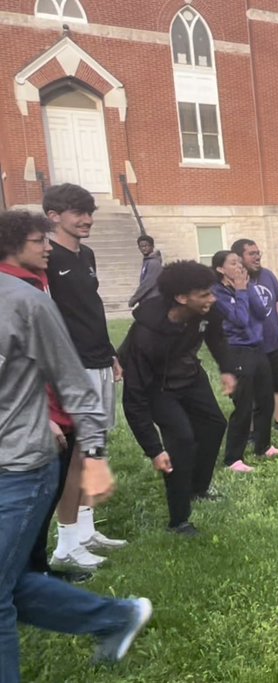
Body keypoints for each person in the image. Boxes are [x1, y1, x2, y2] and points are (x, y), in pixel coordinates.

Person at [0, 209, 153, 680]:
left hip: (18, 467)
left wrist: (95, 461)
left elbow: (73, 383)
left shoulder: (26, 301)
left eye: (47, 238)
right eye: (36, 240)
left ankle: (113, 615)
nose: (47, 247)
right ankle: (115, 616)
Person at [0, 211, 92, 583]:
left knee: (41, 500)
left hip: (46, 407)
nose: (47, 248)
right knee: (31, 501)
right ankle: (31, 574)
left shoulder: (34, 284)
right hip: (28, 423)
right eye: (39, 241)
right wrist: (46, 416)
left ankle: (35, 569)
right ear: (12, 245)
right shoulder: (16, 295)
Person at [118, 261, 239, 536]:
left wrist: (228, 370)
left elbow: (217, 339)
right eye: (205, 294)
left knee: (214, 424)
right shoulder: (146, 335)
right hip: (157, 387)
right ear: (182, 298)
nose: (213, 298)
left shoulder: (207, 310)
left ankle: (197, 488)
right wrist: (154, 449)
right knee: (181, 440)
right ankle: (179, 520)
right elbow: (134, 398)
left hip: (189, 374)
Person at [42, 183, 127, 568]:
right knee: (76, 454)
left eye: (89, 211)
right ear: (53, 216)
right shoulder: (45, 258)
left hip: (98, 360)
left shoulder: (87, 253)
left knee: (95, 448)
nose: (87, 219)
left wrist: (110, 354)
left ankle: (86, 529)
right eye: (78, 212)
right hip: (71, 368)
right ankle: (65, 545)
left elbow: (90, 308)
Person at [210, 251, 278, 473]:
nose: (239, 267)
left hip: (257, 347)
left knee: (266, 400)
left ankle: (263, 446)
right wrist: (241, 290)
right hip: (236, 350)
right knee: (243, 405)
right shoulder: (217, 294)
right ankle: (233, 458)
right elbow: (240, 320)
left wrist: (247, 287)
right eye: (233, 263)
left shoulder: (245, 285)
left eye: (239, 263)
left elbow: (262, 312)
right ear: (220, 270)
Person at [231, 238, 278, 433]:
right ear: (239, 257)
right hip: (248, 347)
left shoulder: (268, 275)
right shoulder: (232, 282)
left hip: (274, 342)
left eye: (258, 253)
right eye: (252, 253)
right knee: (248, 389)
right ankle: (250, 429)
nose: (257, 256)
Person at [128, 235, 163, 308]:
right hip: (147, 300)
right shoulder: (147, 261)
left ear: (152, 246)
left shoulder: (154, 263)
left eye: (146, 246)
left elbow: (148, 283)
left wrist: (135, 298)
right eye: (141, 246)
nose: (144, 248)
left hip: (154, 300)